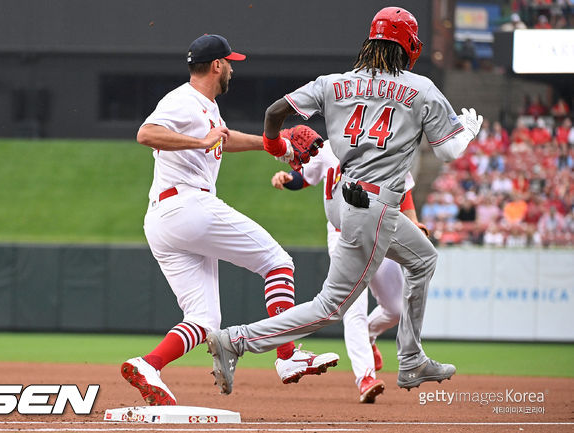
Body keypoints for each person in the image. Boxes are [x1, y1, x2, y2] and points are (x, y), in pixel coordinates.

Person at [206, 7, 483, 395]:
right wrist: (468, 130)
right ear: (407, 45)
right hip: (373, 205)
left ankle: (411, 359)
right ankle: (236, 340)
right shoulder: (420, 88)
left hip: (343, 198)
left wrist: (273, 144)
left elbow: (274, 111)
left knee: (423, 259)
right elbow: (451, 152)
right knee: (330, 307)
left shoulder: (334, 82)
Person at [122, 34, 338, 406]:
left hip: (164, 220)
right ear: (217, 65)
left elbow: (222, 138)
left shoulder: (204, 107)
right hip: (188, 205)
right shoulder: (182, 100)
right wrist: (200, 143)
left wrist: (275, 144)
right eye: (231, 63)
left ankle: (148, 364)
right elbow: (146, 133)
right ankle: (286, 358)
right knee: (278, 263)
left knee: (205, 321)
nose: (233, 69)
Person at [271, 142, 424, 403]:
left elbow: (403, 191)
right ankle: (365, 377)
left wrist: (413, 222)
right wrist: (288, 179)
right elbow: (305, 177)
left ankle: (370, 334)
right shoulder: (328, 148)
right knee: (354, 309)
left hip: (381, 233)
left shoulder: (387, 146)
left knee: (398, 309)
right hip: (344, 237)